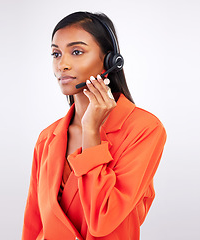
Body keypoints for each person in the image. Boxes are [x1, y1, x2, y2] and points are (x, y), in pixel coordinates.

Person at [22, 11, 167, 240]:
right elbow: (33, 224)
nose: (63, 64)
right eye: (56, 54)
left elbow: (103, 220)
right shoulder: (47, 138)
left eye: (77, 52)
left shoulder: (144, 129)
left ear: (109, 60)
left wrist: (91, 131)